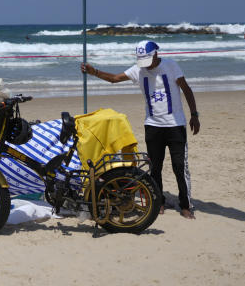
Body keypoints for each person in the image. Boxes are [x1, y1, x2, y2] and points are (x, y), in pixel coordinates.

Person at [80, 39, 201, 219]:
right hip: (153, 126)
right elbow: (114, 79)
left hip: (175, 126)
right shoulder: (138, 70)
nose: (147, 66)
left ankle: (185, 205)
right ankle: (159, 202)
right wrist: (94, 72)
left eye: (148, 61)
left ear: (156, 55)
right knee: (155, 167)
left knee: (179, 166)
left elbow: (186, 89)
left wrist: (194, 114)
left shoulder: (171, 66)